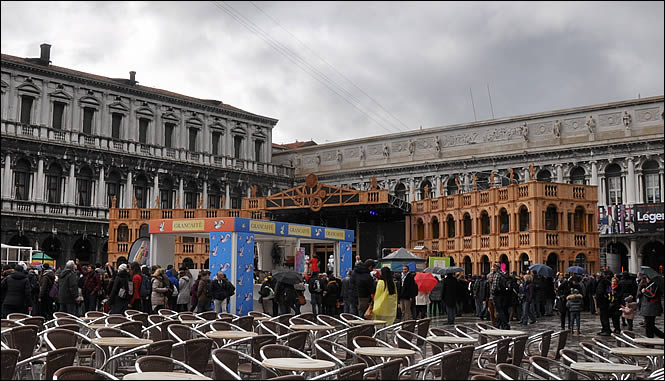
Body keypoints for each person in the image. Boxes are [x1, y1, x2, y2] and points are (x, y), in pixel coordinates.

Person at [491, 263, 510, 329]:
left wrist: (492, 293)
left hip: (497, 295)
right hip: (504, 294)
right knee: (502, 310)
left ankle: (505, 325)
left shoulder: (497, 275)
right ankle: (497, 325)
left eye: (493, 267)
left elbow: (495, 286)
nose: (492, 268)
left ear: (496, 268)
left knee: (499, 311)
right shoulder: (503, 274)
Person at [596, 270, 613, 336]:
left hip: (602, 302)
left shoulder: (601, 283)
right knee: (603, 317)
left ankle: (606, 330)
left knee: (604, 317)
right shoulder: (606, 282)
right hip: (605, 301)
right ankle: (605, 329)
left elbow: (600, 293)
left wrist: (598, 302)